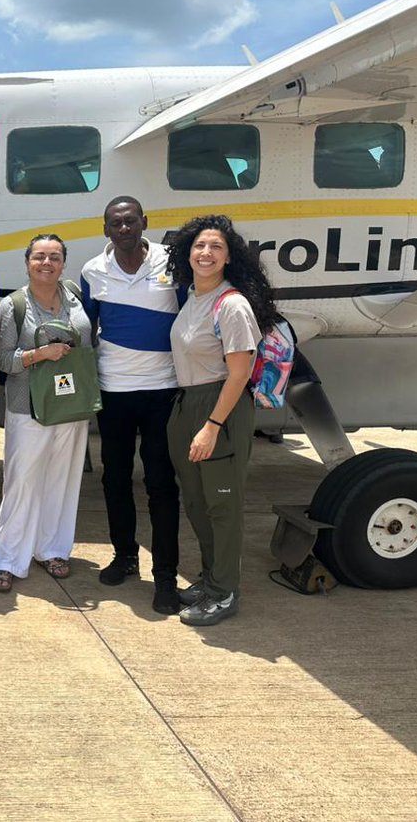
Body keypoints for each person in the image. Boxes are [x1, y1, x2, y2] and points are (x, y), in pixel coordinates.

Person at [166, 214, 277, 626]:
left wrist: (212, 426)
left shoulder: (231, 304)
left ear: (230, 257)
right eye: (199, 246)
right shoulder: (193, 297)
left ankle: (225, 591)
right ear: (187, 254)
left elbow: (240, 372)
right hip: (188, 401)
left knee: (222, 505)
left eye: (216, 247)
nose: (206, 253)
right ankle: (212, 579)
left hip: (219, 406)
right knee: (197, 501)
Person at [80, 196, 183, 615]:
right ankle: (125, 557)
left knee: (161, 484)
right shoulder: (92, 271)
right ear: (106, 230)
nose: (123, 228)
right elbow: (86, 329)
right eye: (115, 223)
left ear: (145, 221)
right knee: (115, 479)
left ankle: (165, 578)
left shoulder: (172, 262)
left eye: (130, 221)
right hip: (115, 391)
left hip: (163, 389)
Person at [0, 234, 92, 593]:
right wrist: (38, 355)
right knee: (22, 482)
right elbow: (4, 361)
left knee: (62, 480)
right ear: (27, 261)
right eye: (39, 257)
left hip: (70, 404)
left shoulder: (75, 297)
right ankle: (6, 559)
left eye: (54, 257)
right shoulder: (13, 305)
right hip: (27, 406)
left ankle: (51, 549)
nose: (46, 263)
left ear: (64, 262)